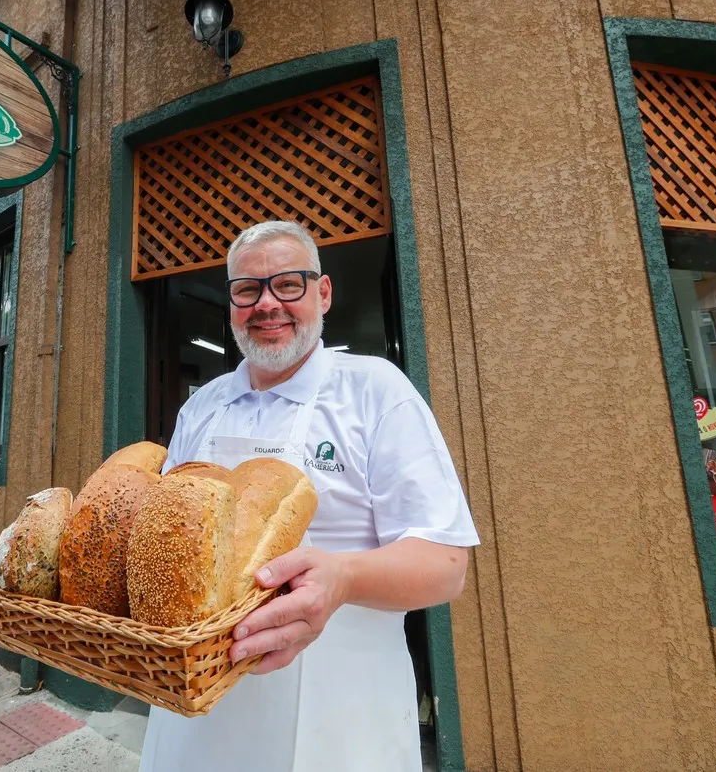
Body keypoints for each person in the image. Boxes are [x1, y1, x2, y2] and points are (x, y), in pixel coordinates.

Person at [138, 221, 480, 772]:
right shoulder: (202, 405)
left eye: (288, 284)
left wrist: (343, 578)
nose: (267, 304)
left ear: (322, 294)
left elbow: (445, 565)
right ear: (231, 305)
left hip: (343, 716)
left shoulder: (376, 390)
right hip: (195, 711)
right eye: (248, 290)